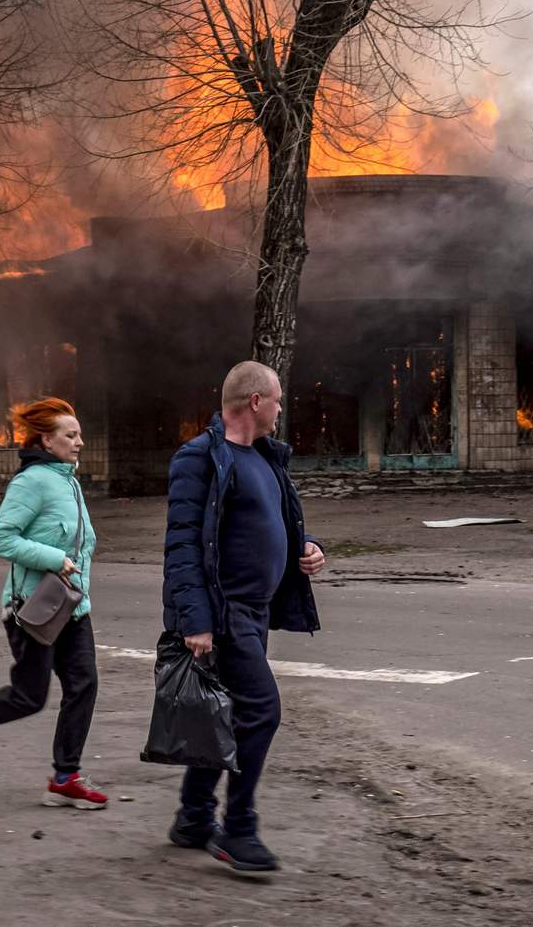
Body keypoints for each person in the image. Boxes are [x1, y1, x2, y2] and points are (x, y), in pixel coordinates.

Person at [162, 360, 326, 873]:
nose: (281, 408)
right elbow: (183, 544)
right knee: (261, 711)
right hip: (224, 612)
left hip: (255, 613)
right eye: (277, 399)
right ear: (256, 401)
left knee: (227, 713)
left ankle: (192, 817)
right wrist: (195, 619)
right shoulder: (200, 458)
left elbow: (271, 522)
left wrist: (306, 548)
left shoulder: (266, 458)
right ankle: (237, 829)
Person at [0, 397, 108, 810]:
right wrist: (53, 559)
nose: (80, 441)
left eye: (79, 434)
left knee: (84, 685)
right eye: (71, 435)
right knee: (30, 696)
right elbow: (0, 538)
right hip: (32, 609)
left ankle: (66, 777)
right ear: (47, 439)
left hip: (72, 608)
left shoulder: (68, 480)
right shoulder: (31, 482)